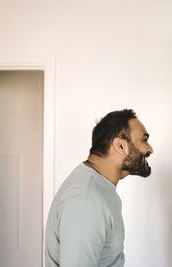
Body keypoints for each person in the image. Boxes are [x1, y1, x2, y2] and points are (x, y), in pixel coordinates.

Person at [45, 109, 153, 267]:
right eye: (144, 140)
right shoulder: (87, 201)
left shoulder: (98, 188)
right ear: (120, 146)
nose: (150, 149)